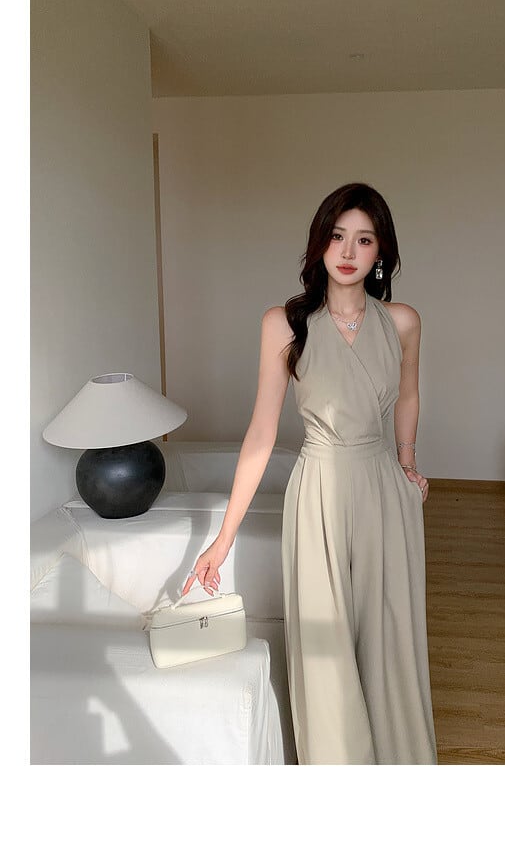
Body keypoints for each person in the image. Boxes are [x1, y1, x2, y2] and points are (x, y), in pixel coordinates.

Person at [182, 182, 438, 764]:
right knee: (325, 640)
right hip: (317, 490)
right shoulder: (284, 324)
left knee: (388, 634)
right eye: (337, 236)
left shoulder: (402, 322)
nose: (348, 251)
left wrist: (408, 464)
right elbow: (261, 433)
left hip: (383, 489)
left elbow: (407, 396)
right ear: (319, 243)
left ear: (381, 252)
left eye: (364, 240)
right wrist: (223, 539)